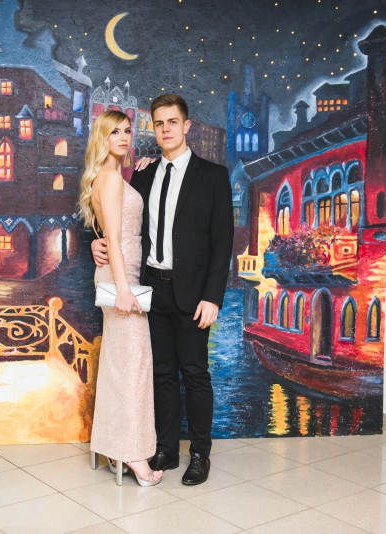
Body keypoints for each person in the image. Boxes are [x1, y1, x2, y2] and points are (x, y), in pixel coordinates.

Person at [92, 94, 234, 485]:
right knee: (162, 373)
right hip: (151, 288)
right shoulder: (142, 174)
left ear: (186, 126)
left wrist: (213, 297)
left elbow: (223, 242)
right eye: (159, 123)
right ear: (153, 129)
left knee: (195, 373)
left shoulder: (213, 175)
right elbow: (117, 222)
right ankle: (166, 448)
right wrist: (96, 243)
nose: (166, 129)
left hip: (193, 293)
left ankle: (200, 454)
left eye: (173, 122)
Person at [78, 110, 163, 486]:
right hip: (121, 280)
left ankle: (116, 446)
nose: (125, 137)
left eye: (128, 130)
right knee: (133, 368)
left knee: (120, 365)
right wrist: (125, 289)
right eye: (115, 132)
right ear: (103, 137)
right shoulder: (110, 178)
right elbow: (112, 237)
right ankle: (134, 457)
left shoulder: (112, 175)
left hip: (120, 275)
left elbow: (109, 234)